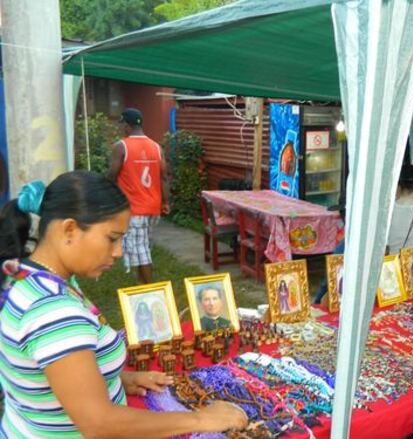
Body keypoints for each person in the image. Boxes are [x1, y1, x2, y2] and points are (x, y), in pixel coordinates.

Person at [0, 171, 246, 438]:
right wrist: (201, 419)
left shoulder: (29, 276)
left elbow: (50, 373)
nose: (118, 252)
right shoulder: (53, 311)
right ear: (69, 229)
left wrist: (113, 379)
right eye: (112, 238)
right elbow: (100, 425)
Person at [108, 108, 171, 285]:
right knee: (142, 246)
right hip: (153, 207)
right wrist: (166, 202)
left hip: (134, 208)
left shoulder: (121, 146)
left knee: (141, 250)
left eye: (122, 125)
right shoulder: (156, 147)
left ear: (127, 125)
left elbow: (112, 174)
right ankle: (140, 284)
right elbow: (164, 176)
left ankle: (150, 290)